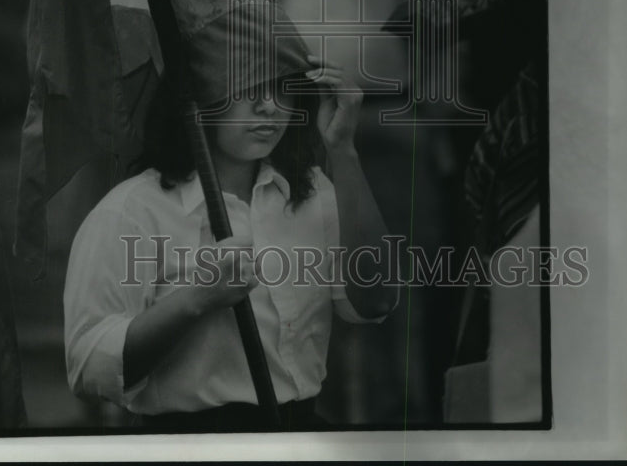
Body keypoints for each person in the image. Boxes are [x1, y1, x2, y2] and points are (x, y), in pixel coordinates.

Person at [63, 55, 399, 432]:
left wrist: (343, 149)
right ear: (196, 94)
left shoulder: (312, 192)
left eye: (282, 88)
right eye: (246, 88)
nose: (269, 106)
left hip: (298, 437)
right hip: (191, 445)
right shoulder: (131, 211)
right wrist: (197, 299)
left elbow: (377, 301)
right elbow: (89, 367)